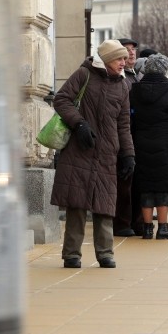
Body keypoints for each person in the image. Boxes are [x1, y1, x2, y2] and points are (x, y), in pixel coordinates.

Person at [50, 39, 135, 268]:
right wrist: (79, 124)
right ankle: (71, 254)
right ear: (107, 60)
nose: (123, 63)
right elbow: (62, 99)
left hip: (107, 151)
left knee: (105, 203)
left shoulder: (123, 85)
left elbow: (124, 124)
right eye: (119, 58)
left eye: (125, 59)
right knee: (77, 204)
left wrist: (129, 154)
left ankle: (105, 253)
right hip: (80, 147)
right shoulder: (83, 75)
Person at [129, 54, 168, 239]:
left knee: (146, 186)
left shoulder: (134, 91)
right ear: (164, 69)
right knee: (164, 187)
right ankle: (163, 228)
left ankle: (147, 229)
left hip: (141, 144)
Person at [113, 37, 140, 237]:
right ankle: (122, 223)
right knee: (123, 183)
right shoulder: (119, 77)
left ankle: (134, 221)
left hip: (134, 136)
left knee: (134, 183)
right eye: (126, 50)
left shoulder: (134, 76)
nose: (131, 53)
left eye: (133, 50)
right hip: (121, 136)